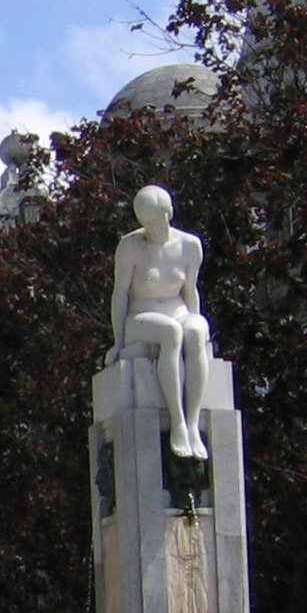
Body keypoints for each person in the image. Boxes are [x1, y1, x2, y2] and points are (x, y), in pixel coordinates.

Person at [108, 183, 213, 461]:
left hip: (176, 309)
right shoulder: (130, 246)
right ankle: (177, 422)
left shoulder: (190, 246)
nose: (151, 227)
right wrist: (118, 342)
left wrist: (196, 322)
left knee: (195, 329)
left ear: (168, 213)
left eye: (155, 220)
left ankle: (193, 423)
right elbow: (120, 294)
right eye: (146, 222)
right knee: (171, 333)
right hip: (140, 317)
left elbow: (190, 290)